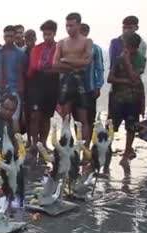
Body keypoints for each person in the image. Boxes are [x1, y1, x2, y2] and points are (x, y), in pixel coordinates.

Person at [53, 12, 93, 142]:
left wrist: (66, 60)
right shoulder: (62, 42)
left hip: (80, 81)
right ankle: (66, 145)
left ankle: (85, 150)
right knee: (65, 117)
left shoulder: (86, 41)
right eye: (67, 26)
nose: (69, 28)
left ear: (79, 25)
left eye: (72, 25)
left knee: (83, 118)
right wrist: (74, 65)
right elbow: (55, 64)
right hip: (66, 81)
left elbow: (87, 61)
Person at [108, 32, 145, 165]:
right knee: (111, 127)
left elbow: (135, 78)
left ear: (135, 47)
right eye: (125, 46)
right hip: (117, 98)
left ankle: (126, 152)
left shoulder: (140, 59)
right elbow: (110, 78)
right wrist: (125, 80)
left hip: (133, 99)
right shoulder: (119, 58)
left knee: (131, 127)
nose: (126, 50)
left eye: (129, 47)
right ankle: (107, 150)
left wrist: (127, 61)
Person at [26, 20, 59, 154]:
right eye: (44, 34)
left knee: (46, 116)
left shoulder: (59, 47)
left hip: (52, 85)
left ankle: (44, 143)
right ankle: (34, 143)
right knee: (35, 116)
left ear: (54, 33)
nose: (46, 37)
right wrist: (50, 67)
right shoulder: (37, 48)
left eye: (49, 34)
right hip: (36, 84)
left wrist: (50, 68)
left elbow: (59, 66)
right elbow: (34, 66)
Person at [109, 16, 147, 118]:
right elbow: (113, 65)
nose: (126, 31)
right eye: (124, 28)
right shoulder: (115, 42)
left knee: (132, 124)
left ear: (136, 27)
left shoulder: (141, 44)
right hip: (117, 88)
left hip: (133, 89)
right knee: (112, 123)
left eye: (129, 28)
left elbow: (137, 67)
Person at [0, 25, 26, 133]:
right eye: (6, 36)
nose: (9, 38)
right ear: (3, 37)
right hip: (0, 91)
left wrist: (21, 90)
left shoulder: (21, 54)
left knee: (14, 118)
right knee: (0, 117)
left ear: (15, 37)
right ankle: (0, 143)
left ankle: (17, 145)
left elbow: (22, 72)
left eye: (11, 36)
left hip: (15, 90)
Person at [80, 23, 105, 145]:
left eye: (83, 32)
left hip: (90, 88)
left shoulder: (95, 49)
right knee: (78, 119)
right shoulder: (71, 47)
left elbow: (99, 69)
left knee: (89, 118)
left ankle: (87, 143)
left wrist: (98, 86)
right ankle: (79, 142)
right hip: (75, 88)